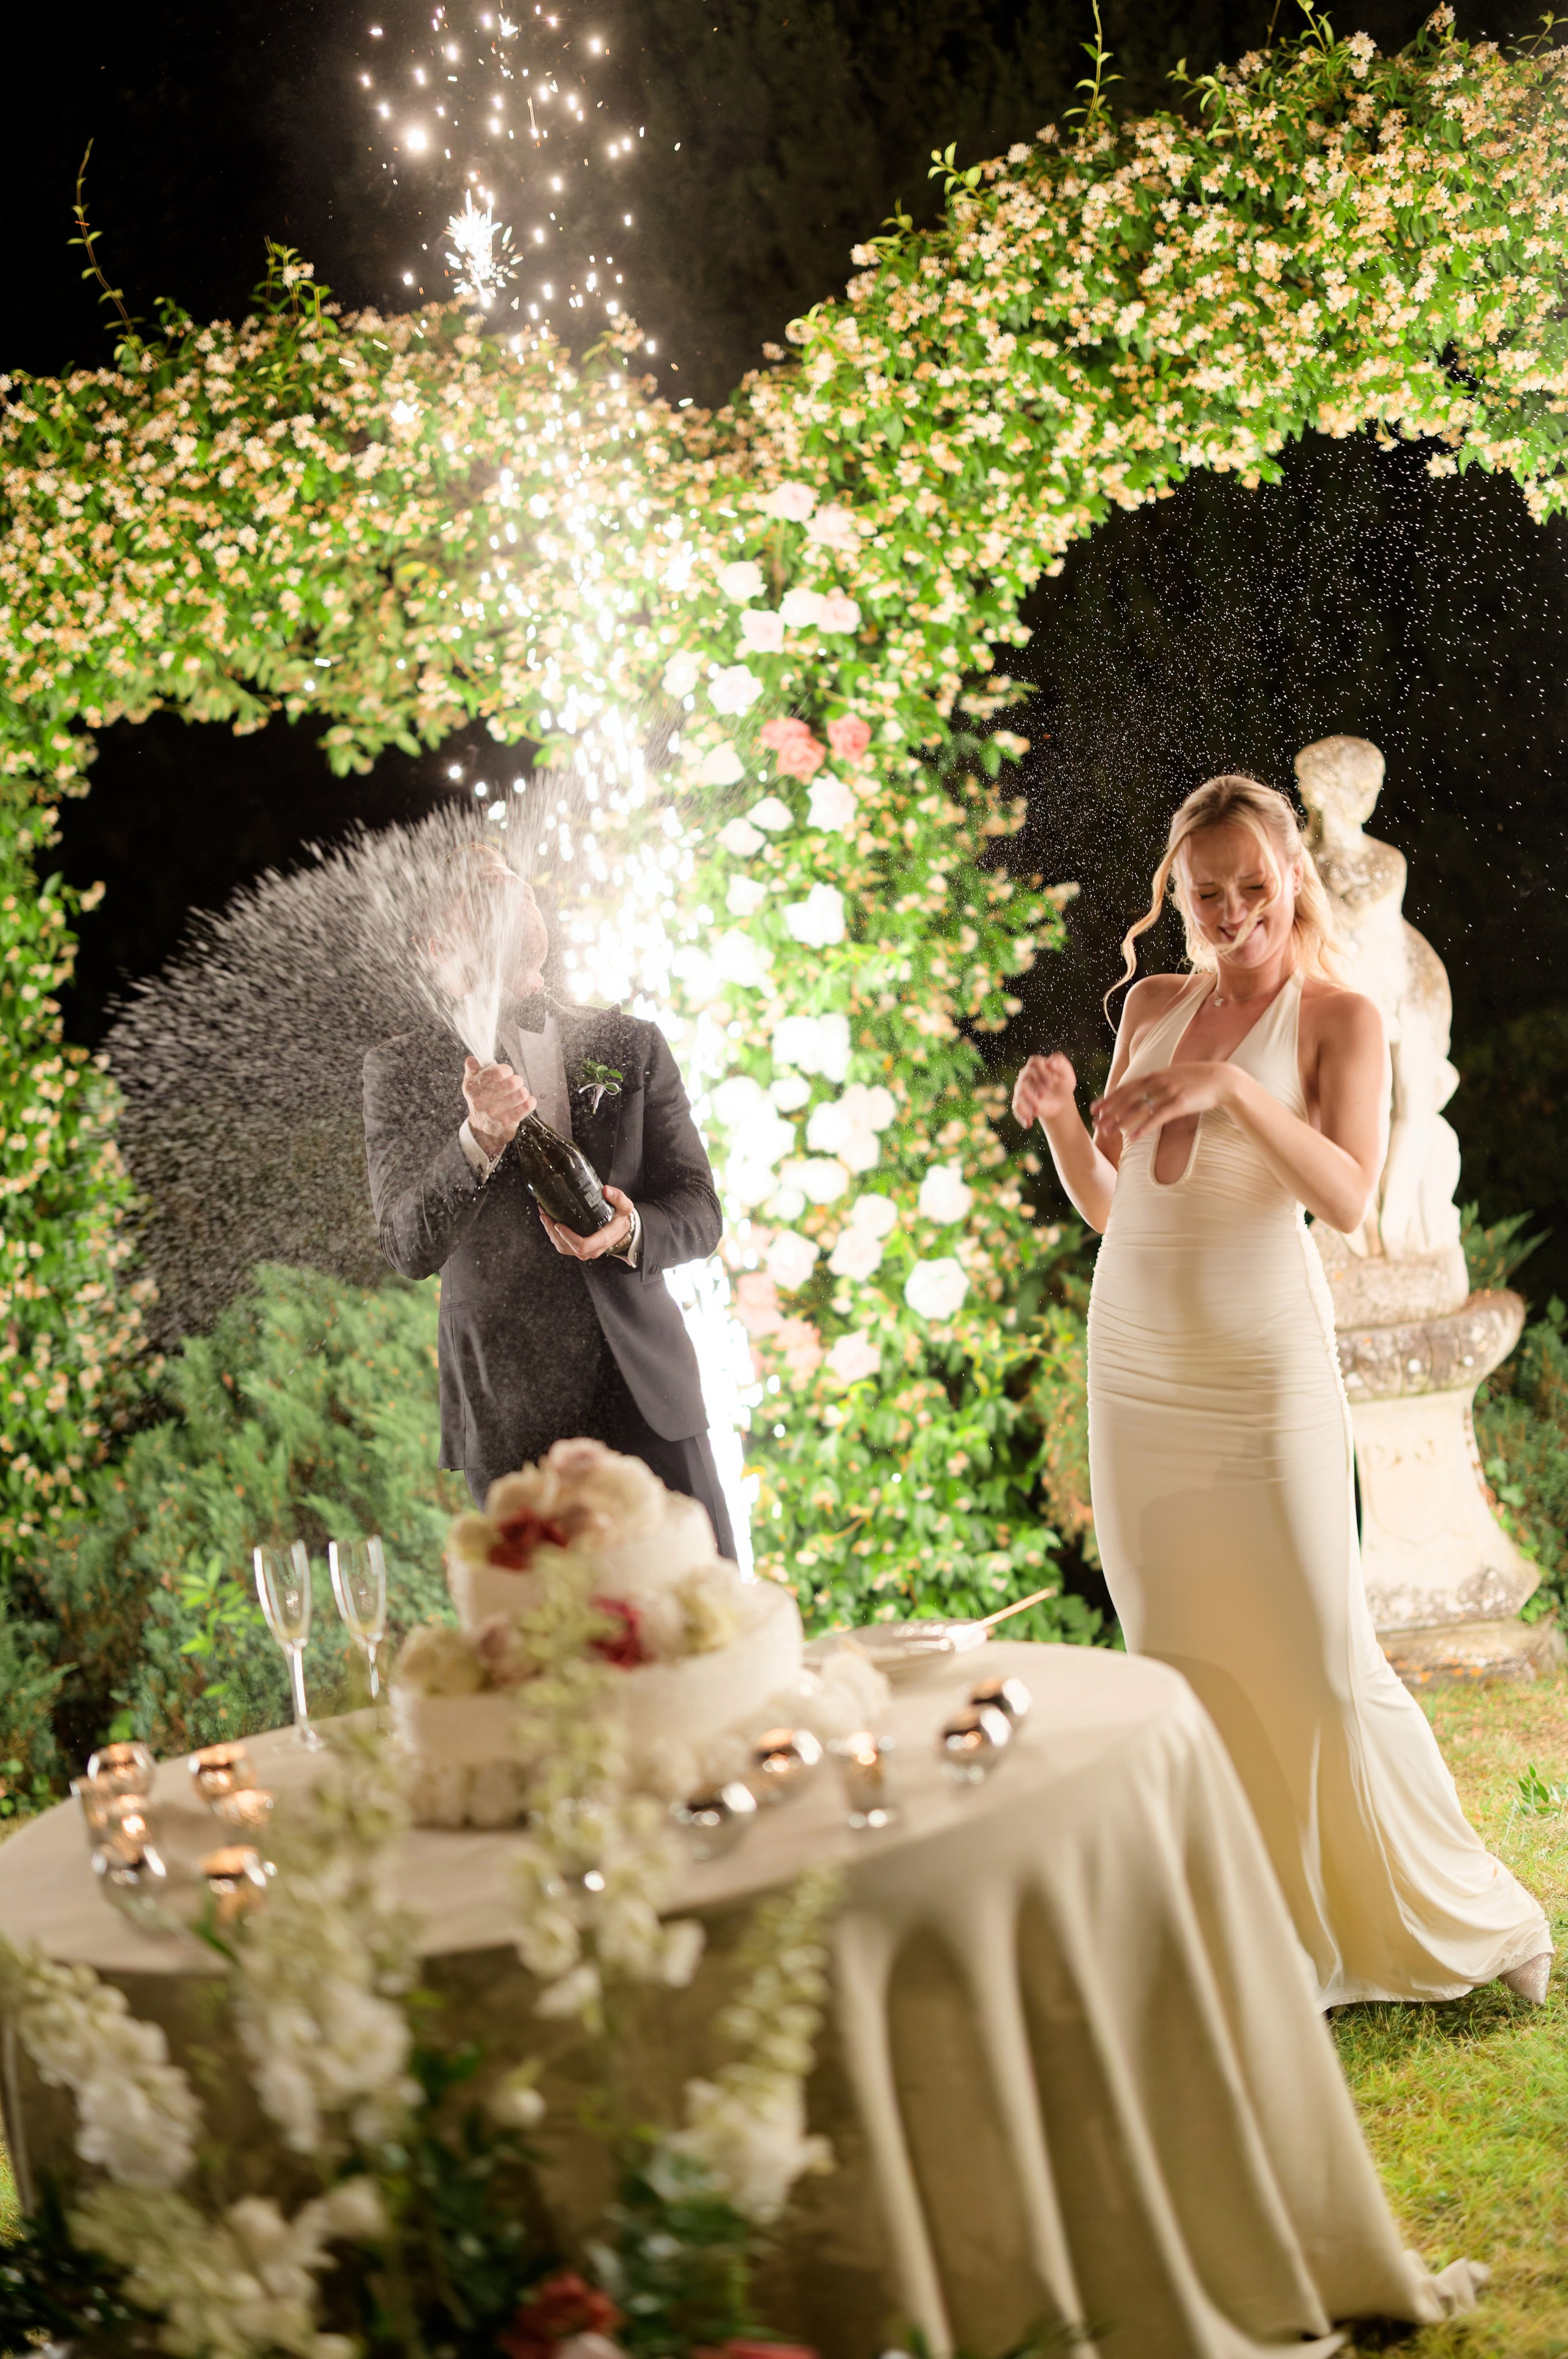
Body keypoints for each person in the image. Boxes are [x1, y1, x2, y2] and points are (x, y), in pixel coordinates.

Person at [1012, 774, 1550, 2007]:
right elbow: (1117, 1206)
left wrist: (1234, 1090)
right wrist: (1057, 1124)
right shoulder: (1149, 1002)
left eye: (1254, 886)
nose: (1233, 912)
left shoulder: (1336, 1020)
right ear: (1178, 892)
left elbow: (1350, 1197)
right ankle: (1252, 1933)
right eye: (1208, 894)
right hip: (1138, 1367)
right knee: (1183, 1655)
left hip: (1261, 1367)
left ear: (1291, 877)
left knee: (1315, 1648)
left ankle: (1470, 1911)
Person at [363, 849, 735, 1555]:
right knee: (554, 1652)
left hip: (649, 1398)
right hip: (513, 1424)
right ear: (437, 942)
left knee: (708, 1630)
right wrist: (477, 1137)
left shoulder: (631, 1043)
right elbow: (409, 1245)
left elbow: (698, 1209)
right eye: (481, 889)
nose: (511, 893)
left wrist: (627, 1228)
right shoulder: (400, 1070)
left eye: (515, 883)